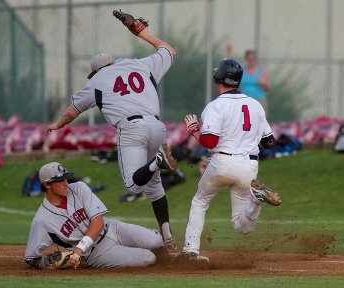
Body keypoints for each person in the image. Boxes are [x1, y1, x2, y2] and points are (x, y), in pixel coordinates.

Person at [47, 24, 178, 252]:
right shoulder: (140, 65)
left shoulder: (98, 80)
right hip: (157, 127)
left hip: (132, 129)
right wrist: (142, 33)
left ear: (97, 70)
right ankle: (169, 240)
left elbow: (73, 111)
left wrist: (58, 124)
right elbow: (169, 50)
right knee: (154, 186)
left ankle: (158, 161)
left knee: (133, 186)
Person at [182, 58, 281, 262]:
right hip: (248, 166)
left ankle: (191, 251)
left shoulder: (215, 106)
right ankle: (256, 200)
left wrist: (194, 131)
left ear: (217, 77)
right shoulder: (255, 105)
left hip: (222, 164)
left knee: (200, 202)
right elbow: (270, 142)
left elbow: (209, 142)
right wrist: (251, 143)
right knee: (241, 226)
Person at [25, 162, 164, 269]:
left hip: (113, 228)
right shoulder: (42, 220)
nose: (66, 183)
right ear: (47, 185)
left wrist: (78, 251)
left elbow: (98, 222)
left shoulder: (79, 188)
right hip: (97, 254)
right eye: (60, 180)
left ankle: (152, 235)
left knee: (156, 242)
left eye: (66, 178)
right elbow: (31, 257)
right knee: (148, 258)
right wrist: (47, 264)